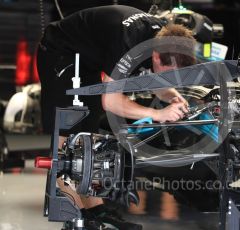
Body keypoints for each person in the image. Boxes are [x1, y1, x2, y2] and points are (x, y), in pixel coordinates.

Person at [37, 5, 196, 230]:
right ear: (156, 57)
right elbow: (110, 102)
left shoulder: (165, 36)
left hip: (88, 60)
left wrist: (173, 97)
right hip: (61, 53)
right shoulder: (128, 44)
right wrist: (157, 113)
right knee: (66, 147)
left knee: (88, 141)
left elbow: (158, 83)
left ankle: (96, 211)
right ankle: (76, 216)